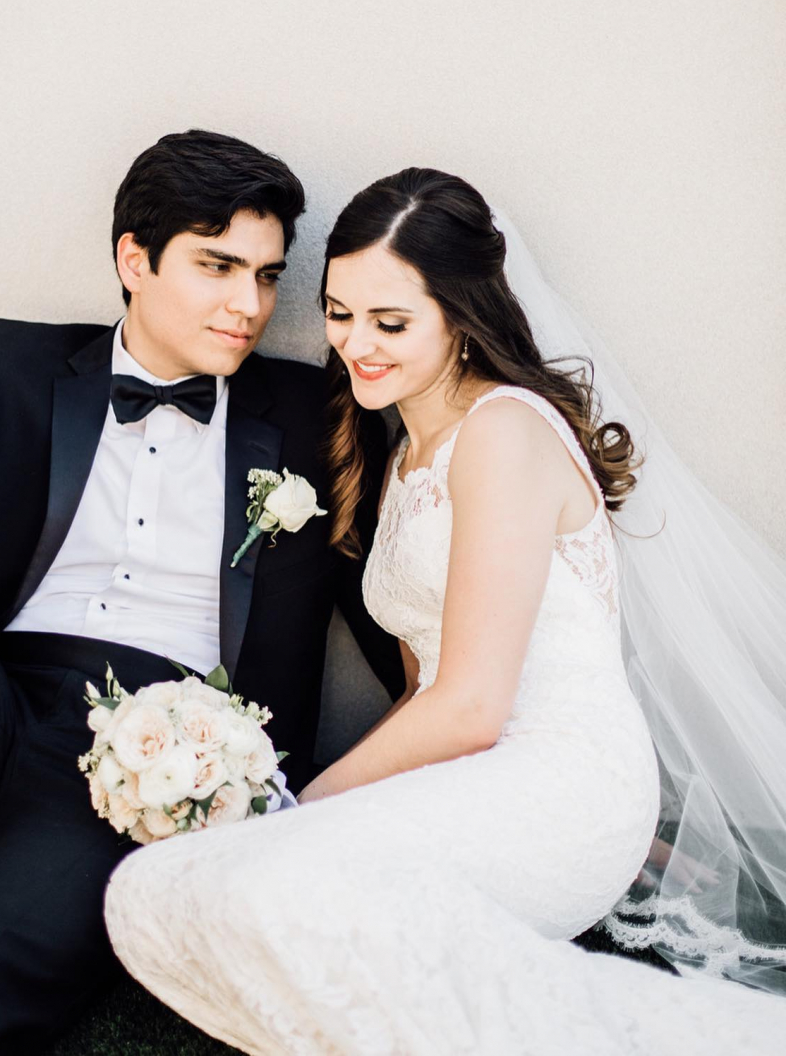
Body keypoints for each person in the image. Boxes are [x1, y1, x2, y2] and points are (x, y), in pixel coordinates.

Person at [103, 168, 786, 1054]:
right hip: (479, 774)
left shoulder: (502, 431)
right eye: (339, 313)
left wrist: (298, 804)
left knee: (276, 882)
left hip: (563, 786)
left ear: (460, 317)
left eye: (390, 323)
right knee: (160, 890)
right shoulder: (402, 456)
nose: (355, 344)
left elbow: (468, 707)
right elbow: (424, 693)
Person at [0, 129, 402, 1055]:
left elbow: (390, 600)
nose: (250, 305)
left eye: (267, 277)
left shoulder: (316, 414)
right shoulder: (15, 362)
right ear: (134, 260)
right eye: (218, 266)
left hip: (156, 755)